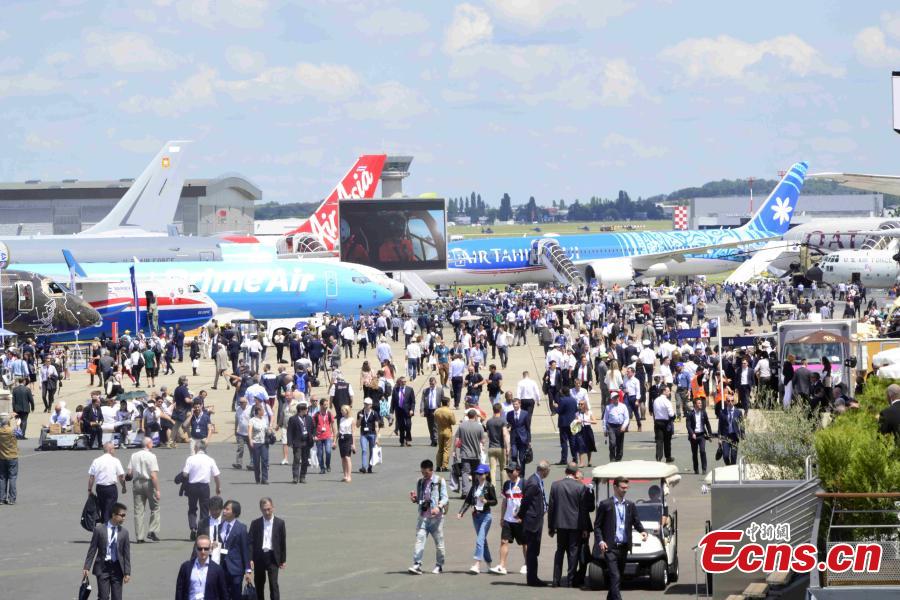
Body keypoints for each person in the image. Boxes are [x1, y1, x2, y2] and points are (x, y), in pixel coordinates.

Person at [593, 477, 648, 600]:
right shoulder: (605, 505)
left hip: (623, 548)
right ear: (615, 487)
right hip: (610, 548)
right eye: (622, 488)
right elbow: (597, 526)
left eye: (626, 488)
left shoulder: (630, 505)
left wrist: (643, 531)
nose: (625, 490)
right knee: (615, 576)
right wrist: (601, 541)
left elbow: (636, 521)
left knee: (618, 577)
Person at [548, 462, 590, 588]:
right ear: (576, 473)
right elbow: (583, 509)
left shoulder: (555, 485)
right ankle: (570, 580)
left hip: (560, 524)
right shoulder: (580, 487)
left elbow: (551, 508)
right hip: (575, 525)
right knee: (573, 552)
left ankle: (556, 580)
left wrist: (551, 526)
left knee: (560, 551)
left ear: (565, 472)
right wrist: (585, 528)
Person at [83, 502, 131, 600]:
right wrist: (87, 567)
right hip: (102, 568)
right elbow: (92, 549)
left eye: (125, 515)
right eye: (122, 515)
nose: (124, 518)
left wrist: (127, 572)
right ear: (114, 515)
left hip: (117, 568)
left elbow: (126, 554)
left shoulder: (124, 533)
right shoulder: (99, 530)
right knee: (103, 597)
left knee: (117, 597)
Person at [408, 459, 448, 575]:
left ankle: (439, 565)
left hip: (436, 519)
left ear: (431, 470)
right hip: (423, 517)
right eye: (422, 472)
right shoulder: (420, 482)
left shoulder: (439, 481)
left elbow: (445, 498)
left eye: (426, 473)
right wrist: (415, 499)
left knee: (439, 544)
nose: (424, 475)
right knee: (419, 540)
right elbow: (420, 499)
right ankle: (417, 564)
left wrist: (438, 507)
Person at [457, 463, 498, 574]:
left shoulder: (489, 486)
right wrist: (461, 512)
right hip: (476, 516)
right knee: (483, 540)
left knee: (480, 539)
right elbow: (468, 501)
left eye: (481, 474)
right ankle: (489, 563)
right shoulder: (474, 486)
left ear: (486, 474)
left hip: (486, 516)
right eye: (477, 474)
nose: (479, 476)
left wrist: (486, 501)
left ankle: (477, 564)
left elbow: (495, 501)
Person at [489, 463, 528, 575]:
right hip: (508, 519)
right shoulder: (506, 484)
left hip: (520, 520)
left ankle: (527, 564)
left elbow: (527, 502)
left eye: (511, 471)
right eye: (507, 471)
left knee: (525, 543)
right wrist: (502, 518)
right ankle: (502, 566)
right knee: (503, 541)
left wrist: (522, 516)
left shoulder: (524, 483)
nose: (509, 473)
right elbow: (504, 502)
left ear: (518, 471)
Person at [518, 460, 551, 587]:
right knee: (532, 551)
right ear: (544, 470)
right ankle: (532, 579)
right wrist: (520, 516)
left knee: (534, 550)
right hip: (532, 522)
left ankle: (533, 577)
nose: (548, 473)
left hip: (536, 520)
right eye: (548, 471)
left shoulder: (537, 481)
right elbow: (525, 502)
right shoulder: (533, 482)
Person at [181, 440, 222, 541]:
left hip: (192, 486)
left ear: (196, 448)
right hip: (204, 487)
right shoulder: (210, 459)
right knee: (204, 509)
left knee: (192, 508)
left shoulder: (190, 459)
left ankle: (193, 527)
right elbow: (216, 475)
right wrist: (218, 487)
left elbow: (185, 474)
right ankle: (202, 530)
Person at [249, 497, 286, 600]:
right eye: (264, 510)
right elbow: (250, 542)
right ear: (261, 509)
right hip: (259, 557)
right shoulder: (255, 523)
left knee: (273, 584)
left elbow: (282, 542)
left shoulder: (280, 523)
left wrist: (283, 560)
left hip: (273, 557)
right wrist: (250, 559)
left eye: (269, 509)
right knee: (259, 584)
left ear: (273, 507)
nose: (267, 512)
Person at [127, 437, 161, 543]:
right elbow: (153, 475)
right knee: (155, 507)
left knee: (138, 511)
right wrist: (158, 490)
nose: (152, 444)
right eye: (151, 442)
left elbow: (129, 473)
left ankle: (139, 537)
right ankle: (152, 530)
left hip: (137, 483)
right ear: (148, 444)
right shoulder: (152, 456)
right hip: (148, 483)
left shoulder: (134, 455)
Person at [218, 499, 254, 600]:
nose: (224, 511)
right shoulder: (219, 527)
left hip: (236, 568)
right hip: (221, 567)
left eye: (227, 509)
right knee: (223, 594)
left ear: (234, 512)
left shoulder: (241, 528)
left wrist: (248, 570)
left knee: (236, 595)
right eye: (224, 509)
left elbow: (245, 550)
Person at [175, 534, 229, 600]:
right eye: (200, 549)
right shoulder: (186, 567)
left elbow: (223, 594)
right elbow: (179, 591)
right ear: (196, 549)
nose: (203, 552)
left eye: (206, 549)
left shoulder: (217, 569)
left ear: (210, 549)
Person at [88, 442, 127, 523]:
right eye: (114, 448)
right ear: (110, 450)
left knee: (103, 508)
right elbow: (121, 476)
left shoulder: (96, 461)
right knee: (109, 509)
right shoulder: (115, 460)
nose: (114, 450)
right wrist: (123, 486)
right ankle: (107, 526)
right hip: (111, 488)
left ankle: (103, 524)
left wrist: (89, 489)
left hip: (100, 488)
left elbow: (91, 477)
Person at [455, 408, 486, 497]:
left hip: (465, 453)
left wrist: (456, 450)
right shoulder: (479, 426)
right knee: (476, 473)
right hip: (476, 454)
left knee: (465, 473)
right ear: (475, 416)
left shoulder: (462, 426)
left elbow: (457, 440)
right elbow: (483, 441)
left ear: (468, 416)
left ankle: (465, 492)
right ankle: (475, 491)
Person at [287, 400, 315, 484]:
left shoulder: (309, 418)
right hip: (297, 442)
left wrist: (313, 435)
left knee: (305, 460)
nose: (307, 410)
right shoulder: (293, 419)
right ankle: (295, 477)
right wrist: (290, 442)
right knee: (297, 459)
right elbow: (289, 431)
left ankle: (302, 476)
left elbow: (313, 428)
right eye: (305, 409)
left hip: (307, 442)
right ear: (301, 410)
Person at [686, 397, 713, 474]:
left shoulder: (703, 413)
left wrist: (710, 434)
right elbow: (688, 426)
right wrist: (692, 433)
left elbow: (707, 423)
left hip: (701, 435)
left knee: (702, 451)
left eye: (701, 403)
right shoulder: (690, 414)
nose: (701, 404)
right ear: (695, 404)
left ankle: (704, 469)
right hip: (694, 436)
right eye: (699, 403)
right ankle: (696, 469)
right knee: (694, 453)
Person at [485, 403, 509, 486]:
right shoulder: (503, 421)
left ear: (493, 410)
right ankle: (503, 487)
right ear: (500, 410)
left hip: (491, 447)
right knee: (503, 469)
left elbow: (488, 434)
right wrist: (507, 447)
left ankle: (493, 487)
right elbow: (505, 434)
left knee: (492, 469)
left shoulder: (489, 422)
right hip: (501, 447)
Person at [602, 390, 630, 462]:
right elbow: (605, 419)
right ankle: (612, 457)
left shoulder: (623, 406)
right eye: (614, 397)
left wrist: (624, 426)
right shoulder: (608, 407)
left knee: (619, 443)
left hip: (620, 426)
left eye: (617, 397)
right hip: (611, 426)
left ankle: (618, 457)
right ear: (612, 399)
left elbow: (627, 418)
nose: (616, 398)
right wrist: (605, 429)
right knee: (612, 442)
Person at [506, 397, 531, 475]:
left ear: (520, 404)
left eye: (516, 404)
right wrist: (508, 427)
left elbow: (528, 427)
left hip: (523, 438)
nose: (515, 406)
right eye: (513, 404)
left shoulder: (525, 413)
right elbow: (508, 424)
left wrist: (529, 440)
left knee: (522, 457)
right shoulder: (509, 414)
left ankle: (522, 474)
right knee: (514, 455)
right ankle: (516, 471)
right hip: (513, 438)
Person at [356, 397, 381, 474]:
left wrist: (377, 437)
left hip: (372, 434)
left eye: (367, 404)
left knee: (372, 451)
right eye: (365, 404)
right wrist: (360, 419)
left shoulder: (374, 413)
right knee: (364, 450)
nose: (366, 405)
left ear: (371, 405)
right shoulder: (360, 413)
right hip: (363, 434)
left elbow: (376, 426)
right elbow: (357, 425)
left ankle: (370, 466)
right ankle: (364, 467)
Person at [718, 393, 744, 466]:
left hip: (735, 436)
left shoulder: (738, 412)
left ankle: (732, 469)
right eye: (728, 401)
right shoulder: (722, 412)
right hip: (725, 437)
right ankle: (729, 466)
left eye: (732, 401)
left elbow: (742, 425)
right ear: (726, 402)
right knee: (725, 455)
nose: (730, 402)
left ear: (734, 401)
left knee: (733, 455)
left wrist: (742, 436)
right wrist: (719, 438)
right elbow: (720, 426)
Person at [652, 385, 675, 463]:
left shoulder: (656, 400)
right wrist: (673, 417)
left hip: (657, 421)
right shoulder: (667, 401)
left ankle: (659, 457)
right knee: (667, 441)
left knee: (659, 441)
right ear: (664, 391)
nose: (669, 392)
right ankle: (668, 457)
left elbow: (654, 411)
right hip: (666, 422)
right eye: (668, 391)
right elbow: (671, 414)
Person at [248, 404, 271, 485]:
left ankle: (264, 479)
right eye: (262, 410)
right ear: (258, 411)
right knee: (256, 462)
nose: (264, 412)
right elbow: (249, 431)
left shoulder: (264, 420)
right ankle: (257, 478)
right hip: (256, 443)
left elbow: (267, 430)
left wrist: (270, 432)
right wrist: (250, 440)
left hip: (264, 443)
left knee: (265, 461)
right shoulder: (252, 420)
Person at [556, 386, 578, 465]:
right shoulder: (573, 400)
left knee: (564, 442)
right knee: (572, 441)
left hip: (563, 423)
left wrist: (556, 407)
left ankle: (564, 459)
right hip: (572, 422)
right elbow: (576, 410)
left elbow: (559, 411)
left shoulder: (562, 400)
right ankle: (575, 458)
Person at [434, 397, 456, 471]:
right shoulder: (449, 412)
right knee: (446, 449)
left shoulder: (437, 411)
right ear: (447, 403)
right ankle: (444, 466)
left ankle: (438, 465)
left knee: (440, 449)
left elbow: (435, 420)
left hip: (440, 430)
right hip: (447, 430)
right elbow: (453, 422)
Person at [391, 376, 415, 447]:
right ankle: (402, 441)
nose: (404, 383)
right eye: (402, 382)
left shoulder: (410, 389)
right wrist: (391, 411)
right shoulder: (395, 390)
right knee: (401, 426)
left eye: (405, 382)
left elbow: (413, 401)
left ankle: (407, 439)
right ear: (399, 382)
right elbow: (393, 401)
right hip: (399, 410)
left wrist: (412, 409)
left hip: (408, 411)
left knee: (408, 425)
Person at [420, 377, 444, 446]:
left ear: (436, 383)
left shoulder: (440, 390)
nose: (432, 385)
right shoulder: (425, 391)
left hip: (437, 410)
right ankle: (432, 439)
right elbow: (422, 401)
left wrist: (443, 410)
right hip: (428, 410)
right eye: (431, 384)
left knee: (436, 425)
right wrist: (422, 410)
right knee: (430, 426)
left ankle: (435, 439)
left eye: (433, 384)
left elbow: (443, 400)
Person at [0, 414, 18, 505]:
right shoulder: (12, 430)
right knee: (12, 477)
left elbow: (3, 423)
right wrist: (17, 424)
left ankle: (1, 498)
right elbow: (20, 434)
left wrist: (8, 418)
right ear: (8, 422)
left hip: (2, 457)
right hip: (12, 456)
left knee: (2, 478)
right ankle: (11, 499)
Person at [314, 397, 335, 474]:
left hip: (327, 436)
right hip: (319, 436)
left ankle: (328, 464)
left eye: (327, 404)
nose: (326, 406)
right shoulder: (316, 415)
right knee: (320, 453)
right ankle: (322, 468)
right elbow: (313, 426)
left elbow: (333, 426)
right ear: (321, 405)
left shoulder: (329, 414)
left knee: (328, 451)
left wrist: (334, 438)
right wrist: (314, 435)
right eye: (325, 405)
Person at [233, 396, 252, 471]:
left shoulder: (251, 409)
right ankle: (239, 463)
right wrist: (235, 429)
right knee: (240, 448)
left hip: (249, 433)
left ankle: (252, 463)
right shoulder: (238, 409)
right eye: (239, 402)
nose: (240, 404)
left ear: (246, 402)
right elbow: (236, 420)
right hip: (240, 433)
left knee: (251, 449)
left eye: (242, 402)